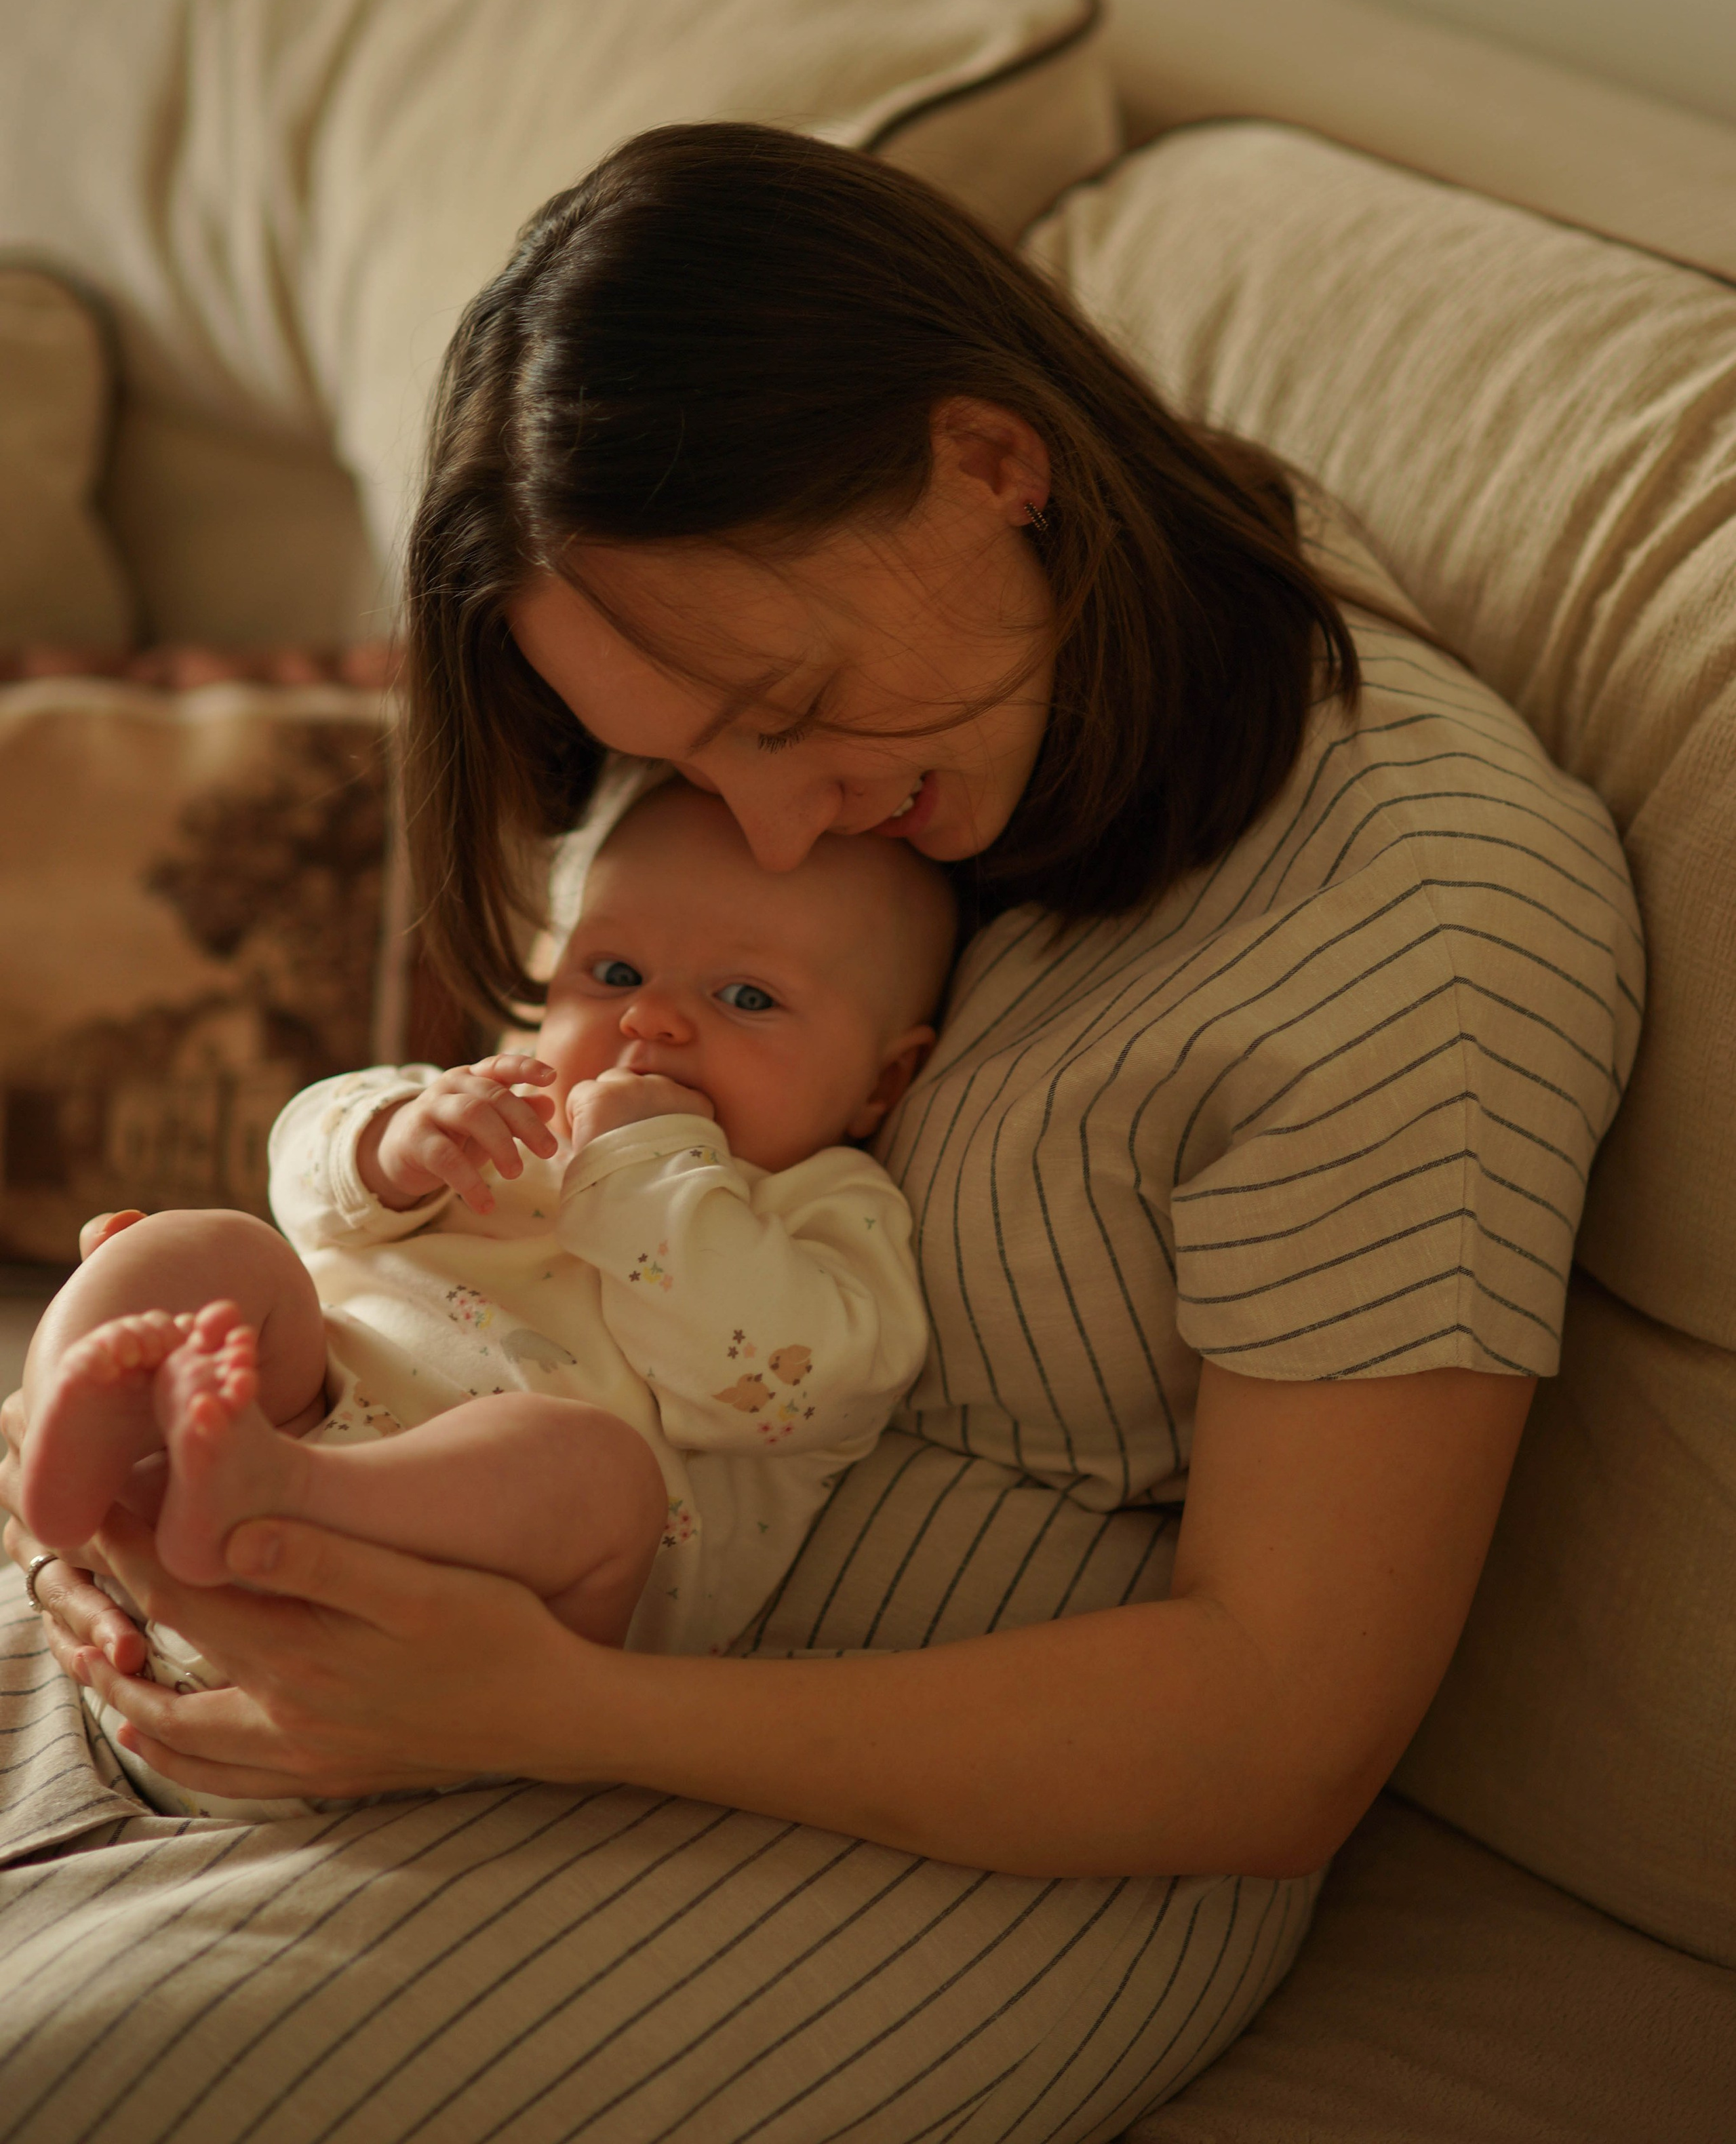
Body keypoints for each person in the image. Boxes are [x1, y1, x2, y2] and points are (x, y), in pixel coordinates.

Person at [1, 123, 1642, 2142]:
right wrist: (110, 1523)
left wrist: (551, 1709)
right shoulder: (832, 676)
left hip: (940, 1824)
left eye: (783, 718)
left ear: (993, 465)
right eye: (679, 764)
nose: (756, 827)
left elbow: (1275, 1728)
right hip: (395, 1565)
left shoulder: (1417, 926)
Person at [14, 779, 949, 1810]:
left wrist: (645, 1160)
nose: (650, 1017)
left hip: (464, 1646)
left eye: (749, 998)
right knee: (217, 1248)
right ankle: (71, 1436)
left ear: (883, 1083)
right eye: (616, 971)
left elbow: (774, 1384)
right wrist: (387, 1144)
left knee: (596, 1473)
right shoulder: (499, 1104)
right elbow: (306, 1176)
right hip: (248, 1457)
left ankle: (277, 1489)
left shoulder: (831, 1211)